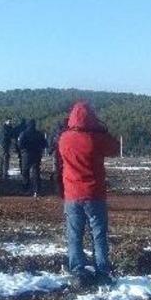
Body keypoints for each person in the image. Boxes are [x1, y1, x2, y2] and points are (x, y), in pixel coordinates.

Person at [58, 101, 120, 286]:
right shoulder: (96, 138)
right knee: (98, 234)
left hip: (72, 194)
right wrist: (101, 130)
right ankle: (102, 271)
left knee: (75, 235)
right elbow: (115, 148)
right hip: (94, 194)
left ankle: (78, 271)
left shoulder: (64, 138)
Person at [17, 119, 47, 196]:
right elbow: (44, 144)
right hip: (37, 154)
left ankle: (26, 189)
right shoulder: (39, 134)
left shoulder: (24, 133)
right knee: (36, 172)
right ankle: (36, 190)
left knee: (25, 172)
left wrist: (23, 150)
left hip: (26, 155)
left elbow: (20, 144)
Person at [49, 118, 69, 198]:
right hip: (65, 156)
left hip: (58, 155)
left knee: (58, 172)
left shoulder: (57, 134)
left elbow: (53, 143)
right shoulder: (69, 133)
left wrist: (51, 150)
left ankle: (60, 190)